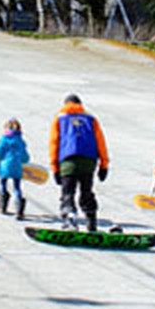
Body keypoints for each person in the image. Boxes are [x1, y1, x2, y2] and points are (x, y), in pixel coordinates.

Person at [49, 94, 110, 232]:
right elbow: (101, 142)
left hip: (68, 160)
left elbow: (54, 143)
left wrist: (54, 167)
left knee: (68, 193)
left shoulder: (60, 119)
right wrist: (104, 165)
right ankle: (91, 220)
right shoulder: (91, 119)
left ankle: (70, 220)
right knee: (86, 192)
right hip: (89, 161)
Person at [0, 118, 30, 220]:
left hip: (4, 167)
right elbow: (25, 158)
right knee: (17, 187)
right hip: (17, 167)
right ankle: (19, 210)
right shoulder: (21, 141)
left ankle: (2, 205)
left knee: (3, 185)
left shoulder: (4, 140)